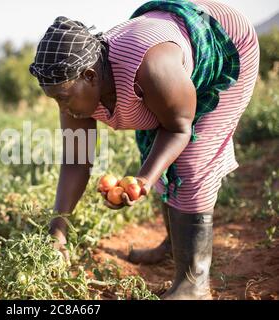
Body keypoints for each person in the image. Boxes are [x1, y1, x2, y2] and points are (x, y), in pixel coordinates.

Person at [29, 0, 259, 300]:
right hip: (165, 48)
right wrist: (57, 233)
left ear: (90, 76)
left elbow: (179, 128)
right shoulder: (75, 88)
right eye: (54, 99)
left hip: (225, 41)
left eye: (62, 97)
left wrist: (143, 181)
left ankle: (195, 283)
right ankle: (174, 245)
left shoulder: (152, 68)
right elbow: (76, 160)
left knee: (189, 161)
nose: (62, 107)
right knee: (153, 147)